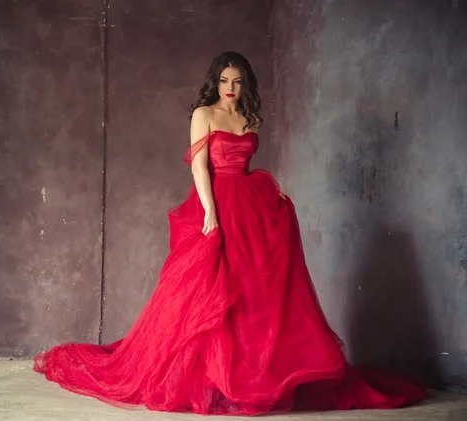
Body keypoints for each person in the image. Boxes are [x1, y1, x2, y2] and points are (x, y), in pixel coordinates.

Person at [33, 51, 428, 415]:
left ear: (246, 84)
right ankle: (210, 380)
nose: (231, 88)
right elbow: (199, 167)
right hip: (217, 203)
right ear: (215, 82)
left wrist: (268, 188)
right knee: (210, 291)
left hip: (250, 209)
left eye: (238, 81)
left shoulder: (251, 120)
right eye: (225, 80)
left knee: (253, 291)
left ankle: (249, 376)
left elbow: (245, 163)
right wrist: (209, 212)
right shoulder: (204, 114)